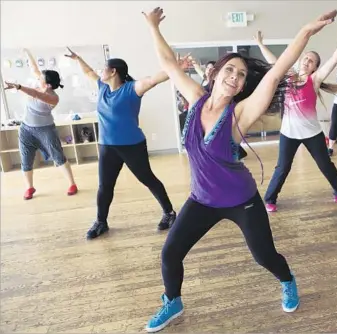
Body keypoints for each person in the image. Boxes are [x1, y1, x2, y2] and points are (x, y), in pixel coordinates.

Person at [142, 6, 337, 332]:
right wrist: (152, 27)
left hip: (241, 200)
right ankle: (173, 302)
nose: (235, 77)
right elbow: (168, 64)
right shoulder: (195, 98)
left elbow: (276, 75)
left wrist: (305, 32)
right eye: (230, 70)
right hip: (202, 200)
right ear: (216, 73)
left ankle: (288, 280)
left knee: (264, 257)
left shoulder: (241, 113)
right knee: (170, 253)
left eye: (242, 74)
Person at [64, 48, 186, 238]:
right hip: (107, 147)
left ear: (113, 72)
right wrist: (77, 58)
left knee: (148, 179)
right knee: (105, 186)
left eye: (104, 68)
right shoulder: (102, 87)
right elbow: (88, 72)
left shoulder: (131, 89)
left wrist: (175, 69)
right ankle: (101, 222)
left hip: (132, 146)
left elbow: (153, 79)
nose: (100, 70)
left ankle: (169, 213)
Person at [260, 20, 337, 212]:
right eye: (305, 58)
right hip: (288, 133)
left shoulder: (314, 80)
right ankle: (270, 199)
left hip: (312, 133)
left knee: (325, 164)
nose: (307, 61)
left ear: (315, 67)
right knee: (282, 168)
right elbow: (274, 62)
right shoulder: (288, 77)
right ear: (299, 60)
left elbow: (335, 58)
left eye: (311, 61)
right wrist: (260, 44)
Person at [4, 48, 78, 200]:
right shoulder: (40, 84)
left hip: (45, 130)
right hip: (26, 129)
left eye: (41, 78)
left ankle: (72, 184)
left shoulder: (52, 97)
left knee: (58, 157)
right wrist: (27, 53)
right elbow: (34, 69)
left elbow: (36, 94)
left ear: (49, 85)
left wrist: (18, 87)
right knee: (25, 158)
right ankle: (29, 187)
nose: (38, 78)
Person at [191, 56, 248, 160]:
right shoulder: (204, 84)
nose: (234, 76)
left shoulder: (223, 87)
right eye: (207, 68)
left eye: (241, 74)